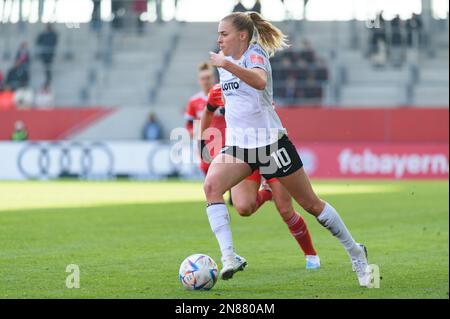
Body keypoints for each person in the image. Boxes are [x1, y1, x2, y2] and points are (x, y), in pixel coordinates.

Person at [205, 12, 369, 286]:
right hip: (240, 148)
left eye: (224, 33)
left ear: (241, 36)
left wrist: (227, 65)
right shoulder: (223, 64)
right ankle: (229, 256)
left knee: (311, 205)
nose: (219, 38)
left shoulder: (255, 55)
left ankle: (356, 252)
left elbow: (258, 82)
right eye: (219, 34)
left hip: (271, 145)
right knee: (216, 190)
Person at [201, 84, 320, 269]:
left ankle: (311, 255)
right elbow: (207, 112)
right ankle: (267, 193)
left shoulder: (256, 83)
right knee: (243, 207)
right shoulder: (220, 89)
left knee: (285, 210)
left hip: (269, 150)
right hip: (242, 154)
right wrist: (203, 141)